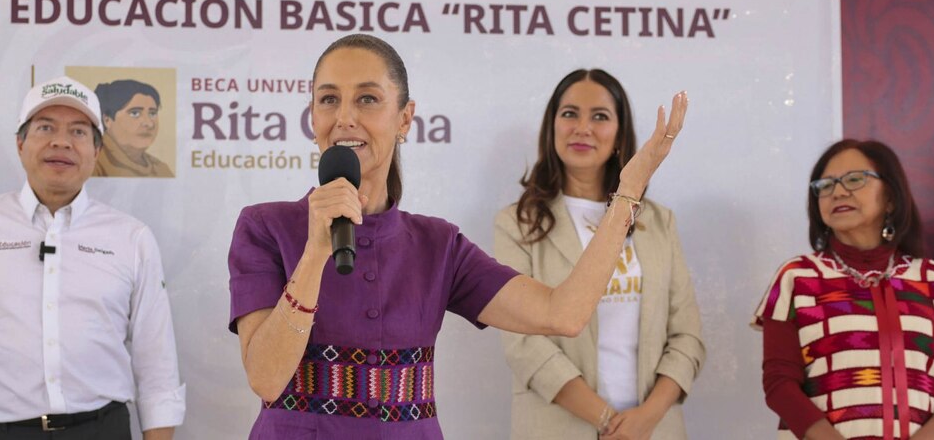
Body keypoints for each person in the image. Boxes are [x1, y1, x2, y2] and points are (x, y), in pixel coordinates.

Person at [226, 34, 688, 439]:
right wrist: (315, 253)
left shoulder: (436, 245)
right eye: (328, 100)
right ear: (312, 117)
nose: (345, 117)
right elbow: (266, 379)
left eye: (367, 99)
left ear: (405, 119)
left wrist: (627, 192)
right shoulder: (265, 227)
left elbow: (563, 314)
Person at [0, 77, 185, 440]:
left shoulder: (131, 238)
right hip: (1, 432)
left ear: (96, 150)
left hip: (102, 429)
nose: (61, 141)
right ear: (20, 143)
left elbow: (157, 366)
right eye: (46, 127)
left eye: (78, 131)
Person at [494, 68, 704, 440]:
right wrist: (608, 421)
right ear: (552, 126)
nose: (583, 127)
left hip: (654, 429)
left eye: (600, 116)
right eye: (570, 113)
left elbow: (687, 336)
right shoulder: (517, 223)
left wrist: (645, 420)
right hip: (558, 427)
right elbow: (523, 343)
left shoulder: (658, 221)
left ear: (620, 133)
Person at [752, 139, 934, 440]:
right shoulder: (797, 278)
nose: (837, 191)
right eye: (825, 185)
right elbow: (779, 384)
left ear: (890, 197)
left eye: (854, 179)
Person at [93, 79, 174, 178]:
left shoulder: (161, 170)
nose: (149, 123)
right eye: (135, 113)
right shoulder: (91, 163)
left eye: (152, 113)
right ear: (107, 120)